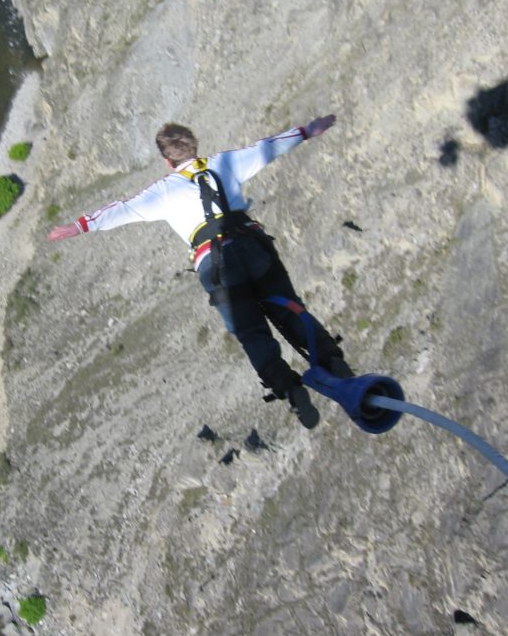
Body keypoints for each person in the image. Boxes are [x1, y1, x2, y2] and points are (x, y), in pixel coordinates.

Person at [47, 115, 353, 429]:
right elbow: (268, 148)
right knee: (289, 309)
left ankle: (290, 389)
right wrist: (305, 131)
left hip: (216, 264)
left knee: (251, 332)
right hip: (253, 245)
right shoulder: (225, 163)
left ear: (168, 162)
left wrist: (80, 226)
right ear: (195, 147)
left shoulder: (164, 190)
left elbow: (122, 209)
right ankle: (333, 362)